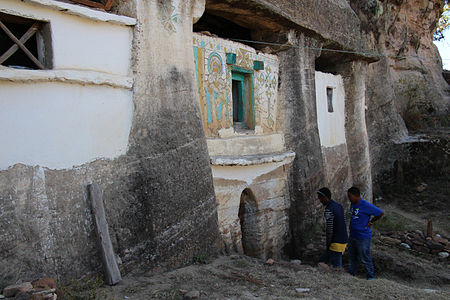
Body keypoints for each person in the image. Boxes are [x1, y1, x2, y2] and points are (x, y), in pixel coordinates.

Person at [347, 186, 384, 280]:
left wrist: (371, 222)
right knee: (352, 257)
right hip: (353, 235)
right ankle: (351, 275)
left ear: (356, 196)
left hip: (363, 237)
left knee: (365, 258)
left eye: (350, 196)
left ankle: (370, 277)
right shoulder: (353, 204)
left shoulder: (365, 205)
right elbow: (354, 216)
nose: (349, 199)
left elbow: (380, 213)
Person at [317, 187, 348, 268]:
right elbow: (343, 222)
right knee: (324, 259)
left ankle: (340, 278)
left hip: (336, 242)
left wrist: (328, 243)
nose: (320, 201)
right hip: (343, 239)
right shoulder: (339, 206)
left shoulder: (329, 210)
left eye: (320, 198)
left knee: (337, 265)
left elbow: (330, 229)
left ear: (325, 197)